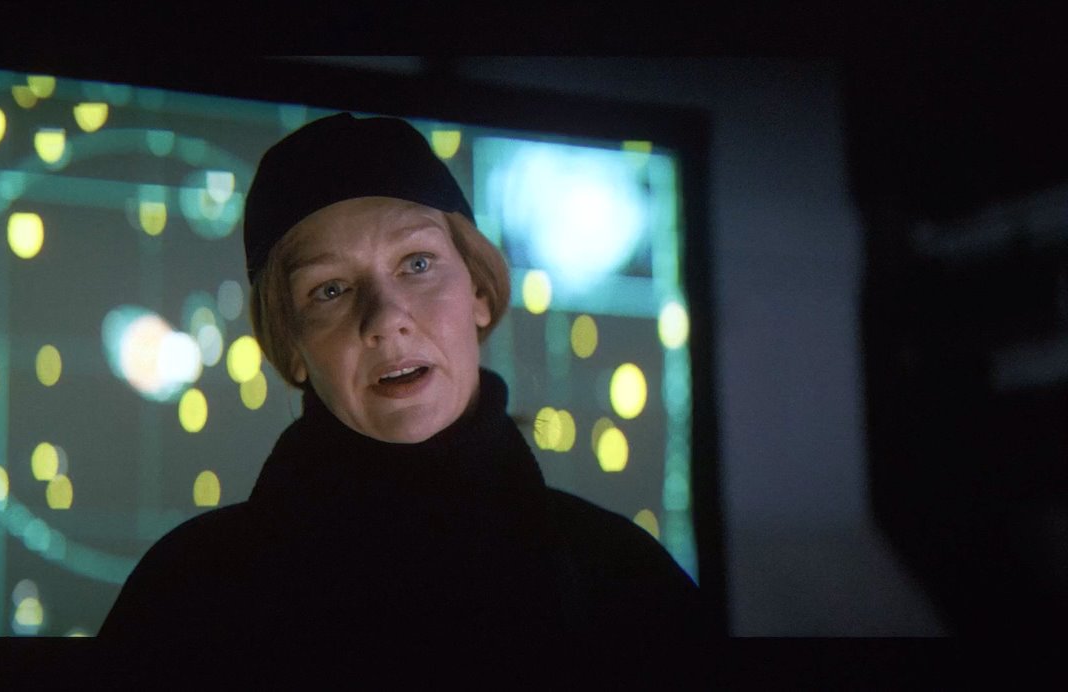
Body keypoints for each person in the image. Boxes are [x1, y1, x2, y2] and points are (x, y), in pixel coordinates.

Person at [99, 113, 711, 683]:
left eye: (417, 263)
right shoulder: (189, 595)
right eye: (330, 289)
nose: (386, 319)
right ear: (290, 346)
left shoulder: (626, 582)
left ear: (478, 292)